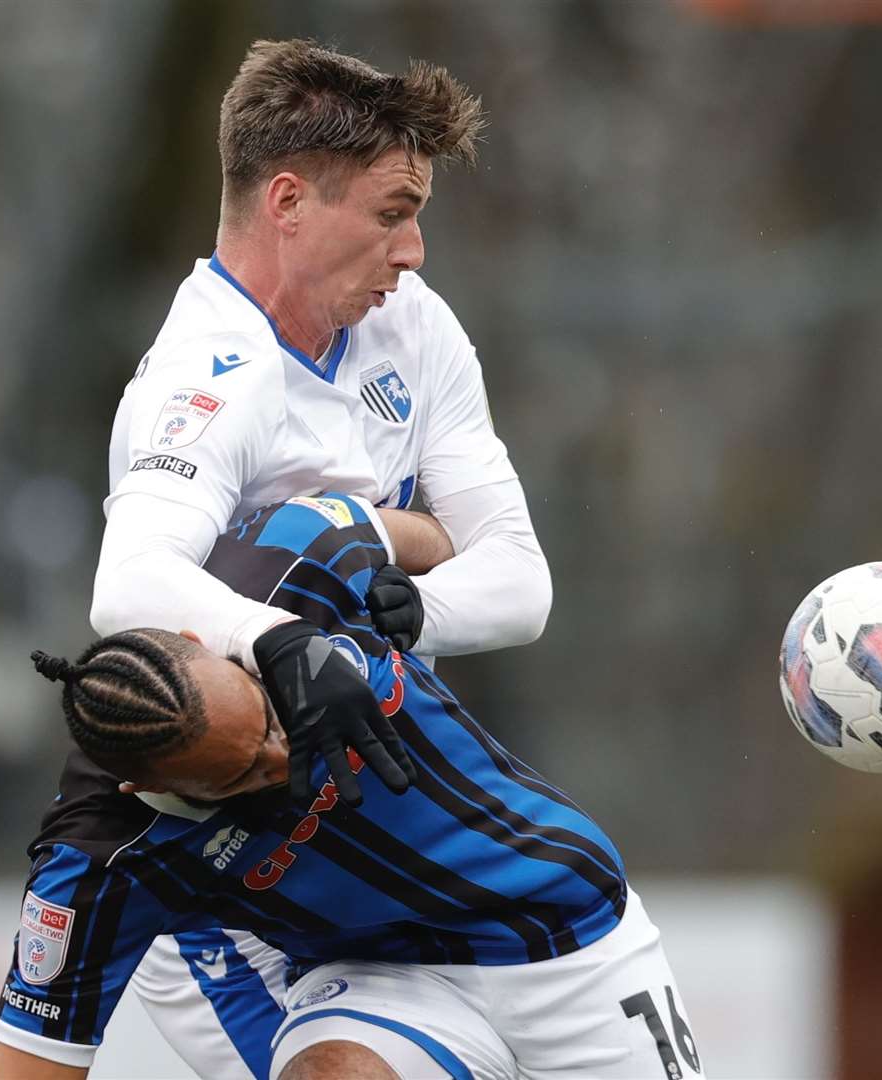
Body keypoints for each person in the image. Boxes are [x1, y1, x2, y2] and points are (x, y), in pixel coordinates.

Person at [84, 37, 553, 1075]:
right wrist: (305, 629)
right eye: (393, 212)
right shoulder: (206, 379)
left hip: (386, 833)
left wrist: (397, 586)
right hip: (239, 879)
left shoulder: (415, 330)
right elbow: (127, 586)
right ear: (288, 202)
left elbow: (519, 579)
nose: (416, 250)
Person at [0, 495, 703, 1080]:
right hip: (382, 980)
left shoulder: (294, 554)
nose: (284, 759)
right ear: (138, 785)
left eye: (271, 719)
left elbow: (469, 543)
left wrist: (430, 596)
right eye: (240, 777)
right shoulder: (97, 866)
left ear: (201, 639)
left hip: (567, 935)